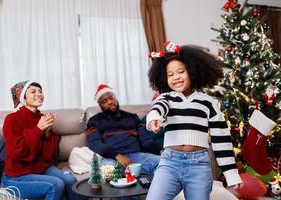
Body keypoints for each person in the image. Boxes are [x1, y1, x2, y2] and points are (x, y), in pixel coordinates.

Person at [145, 42, 242, 200]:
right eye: (170, 74)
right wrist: (154, 119)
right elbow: (158, 108)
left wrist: (231, 173)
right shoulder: (166, 98)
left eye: (181, 72)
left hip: (199, 165)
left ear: (192, 72)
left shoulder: (208, 102)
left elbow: (221, 138)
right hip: (170, 163)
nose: (176, 77)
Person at [1, 80, 80, 200]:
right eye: (33, 91)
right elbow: (17, 152)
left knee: (71, 180)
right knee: (56, 184)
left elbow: (48, 156)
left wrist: (47, 133)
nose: (39, 94)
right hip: (17, 175)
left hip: (41, 168)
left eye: (40, 91)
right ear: (23, 97)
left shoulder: (42, 119)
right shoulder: (11, 119)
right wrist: (38, 129)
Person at [86, 84, 161, 174]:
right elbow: (95, 143)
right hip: (111, 158)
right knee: (109, 171)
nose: (110, 102)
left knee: (164, 164)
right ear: (100, 105)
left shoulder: (132, 117)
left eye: (111, 98)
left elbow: (145, 140)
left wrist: (159, 151)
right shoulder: (94, 121)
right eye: (104, 101)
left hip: (136, 155)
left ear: (115, 98)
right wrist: (117, 156)